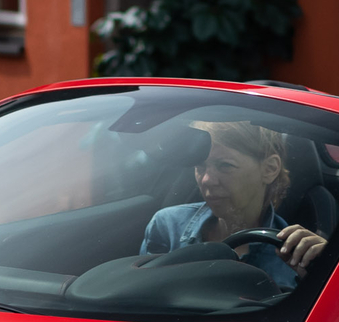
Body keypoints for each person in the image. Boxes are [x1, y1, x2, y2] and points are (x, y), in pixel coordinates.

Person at [140, 120, 326, 290]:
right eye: (200, 167)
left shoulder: (296, 257)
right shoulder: (167, 226)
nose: (207, 180)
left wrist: (323, 272)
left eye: (225, 166)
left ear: (269, 169)